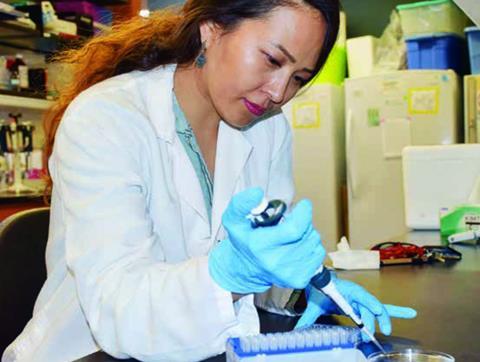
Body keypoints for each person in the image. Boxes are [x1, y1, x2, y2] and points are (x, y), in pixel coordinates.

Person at [3, 1, 416, 361]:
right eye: (273, 60)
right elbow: (119, 311)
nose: (278, 92)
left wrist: (302, 289)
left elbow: (260, 273)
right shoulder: (106, 119)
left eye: (298, 78)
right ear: (212, 28)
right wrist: (227, 274)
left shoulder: (267, 128)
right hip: (89, 353)